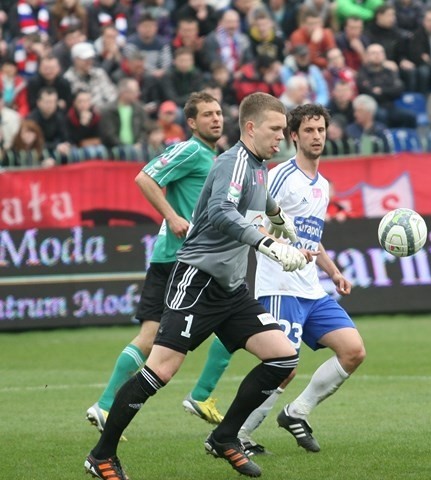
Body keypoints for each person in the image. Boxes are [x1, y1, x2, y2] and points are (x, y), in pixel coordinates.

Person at [84, 92, 309, 479]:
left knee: (283, 357)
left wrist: (276, 214)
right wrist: (268, 242)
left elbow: (257, 195)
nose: (283, 137)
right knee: (161, 371)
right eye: (276, 129)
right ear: (251, 128)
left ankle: (224, 437)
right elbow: (221, 210)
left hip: (230, 288)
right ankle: (102, 456)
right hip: (197, 280)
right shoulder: (233, 161)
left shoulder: (257, 164)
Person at [183, 103, 366, 456]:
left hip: (311, 287)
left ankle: (297, 412)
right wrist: (281, 247)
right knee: (284, 367)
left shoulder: (323, 185)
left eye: (321, 130)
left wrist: (333, 271)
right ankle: (235, 435)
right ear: (293, 136)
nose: (317, 136)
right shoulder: (281, 175)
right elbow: (257, 223)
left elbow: (309, 236)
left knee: (353, 351)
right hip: (280, 285)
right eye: (308, 131)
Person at [85, 91, 224, 440]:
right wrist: (173, 216)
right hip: (179, 258)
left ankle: (105, 405)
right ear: (191, 122)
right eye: (207, 114)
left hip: (192, 258)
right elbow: (145, 177)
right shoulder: (191, 150)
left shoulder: (214, 156)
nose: (216, 119)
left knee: (153, 336)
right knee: (233, 324)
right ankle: (200, 397)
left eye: (219, 112)